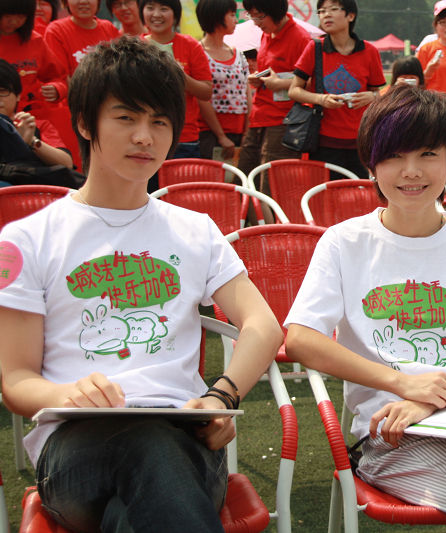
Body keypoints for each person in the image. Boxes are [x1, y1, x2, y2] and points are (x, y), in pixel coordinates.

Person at [0, 36, 282, 532]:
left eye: (159, 122)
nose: (144, 138)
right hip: (75, 449)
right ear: (85, 122)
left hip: (186, 439)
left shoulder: (194, 230)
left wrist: (221, 397)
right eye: (126, 118)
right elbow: (16, 380)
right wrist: (68, 393)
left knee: (135, 501)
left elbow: (263, 324)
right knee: (149, 446)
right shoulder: (29, 238)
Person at [284, 84, 446, 532]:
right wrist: (405, 385)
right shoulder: (345, 242)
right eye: (394, 156)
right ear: (371, 163)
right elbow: (301, 339)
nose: (411, 172)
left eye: (427, 154)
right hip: (393, 436)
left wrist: (434, 400)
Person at [288, 0, 384, 180]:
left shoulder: (369, 51)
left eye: (333, 9)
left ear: (351, 16)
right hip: (323, 141)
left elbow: (378, 94)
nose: (326, 15)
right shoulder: (315, 48)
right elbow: (294, 90)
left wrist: (371, 96)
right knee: (325, 193)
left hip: (360, 141)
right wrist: (321, 99)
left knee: (358, 192)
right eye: (322, 11)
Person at [237, 0, 310, 187]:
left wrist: (281, 84)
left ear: (276, 11)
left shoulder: (301, 39)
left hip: (283, 122)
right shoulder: (266, 34)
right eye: (252, 16)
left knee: (271, 184)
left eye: (260, 16)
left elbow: (312, 81)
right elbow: (270, 70)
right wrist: (258, 79)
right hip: (259, 117)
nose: (256, 22)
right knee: (243, 178)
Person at [42, 0, 119, 169]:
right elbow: (62, 77)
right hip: (75, 115)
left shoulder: (108, 28)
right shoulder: (56, 30)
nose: (83, 2)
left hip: (109, 112)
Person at [140, 0, 212, 161]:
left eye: (164, 9)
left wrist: (180, 76)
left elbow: (206, 92)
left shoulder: (190, 45)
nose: (156, 14)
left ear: (175, 15)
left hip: (183, 138)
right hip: (144, 136)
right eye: (150, 8)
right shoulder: (136, 46)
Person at [0, 58, 77, 187]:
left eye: (3, 92)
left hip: (34, 191)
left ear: (18, 95)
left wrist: (31, 141)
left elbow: (66, 163)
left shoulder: (34, 125)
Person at [195, 0, 249, 161]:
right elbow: (201, 97)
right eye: (231, 15)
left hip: (239, 132)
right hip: (209, 134)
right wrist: (221, 136)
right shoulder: (198, 52)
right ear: (217, 17)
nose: (236, 20)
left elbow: (246, 92)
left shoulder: (238, 54)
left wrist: (247, 132)